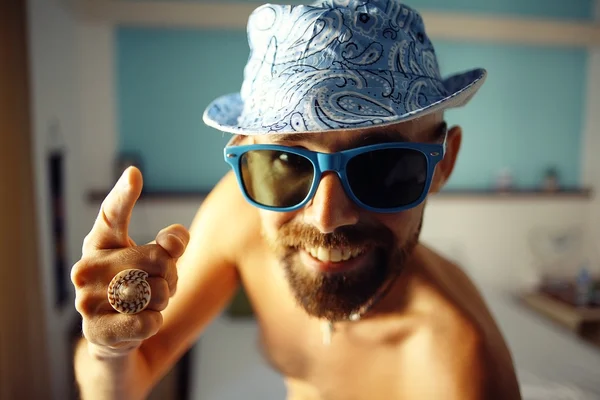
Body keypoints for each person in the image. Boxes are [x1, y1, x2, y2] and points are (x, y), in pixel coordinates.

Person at [71, 0, 522, 399]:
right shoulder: (239, 212)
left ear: (443, 164)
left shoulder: (461, 368)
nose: (327, 218)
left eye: (382, 167)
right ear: (246, 158)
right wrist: (110, 348)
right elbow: (131, 377)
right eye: (286, 162)